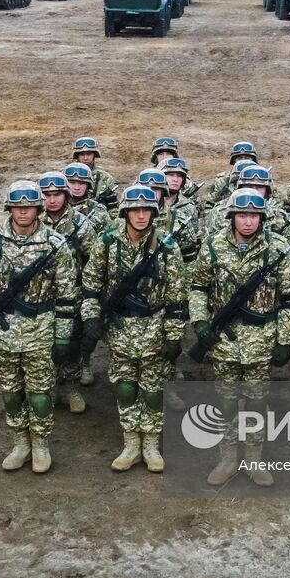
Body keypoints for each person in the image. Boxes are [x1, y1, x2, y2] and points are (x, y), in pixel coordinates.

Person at [0, 181, 79, 474]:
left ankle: (40, 443)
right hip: (1, 331)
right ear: (10, 209)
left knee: (40, 392)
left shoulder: (55, 245)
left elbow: (68, 294)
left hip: (40, 329)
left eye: (29, 207)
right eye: (18, 207)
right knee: (11, 391)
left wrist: (63, 335)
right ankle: (20, 442)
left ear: (38, 209)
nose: (23, 212)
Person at [189, 188, 290, 487]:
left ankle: (254, 459)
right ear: (232, 217)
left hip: (262, 340)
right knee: (226, 401)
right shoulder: (213, 246)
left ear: (261, 218)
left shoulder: (277, 249)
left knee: (257, 403)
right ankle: (227, 457)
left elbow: (289, 299)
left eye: (253, 215)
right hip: (224, 340)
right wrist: (200, 322)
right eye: (242, 215)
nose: (248, 221)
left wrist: (285, 340)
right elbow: (197, 287)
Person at [79, 185, 187, 473]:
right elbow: (91, 286)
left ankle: (151, 445)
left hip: (154, 326)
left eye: (147, 210)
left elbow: (177, 296)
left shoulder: (166, 245)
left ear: (154, 213)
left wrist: (174, 335)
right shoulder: (107, 242)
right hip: (119, 327)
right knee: (125, 387)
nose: (141, 216)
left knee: (152, 389)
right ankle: (130, 443)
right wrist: (91, 318)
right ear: (125, 211)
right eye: (136, 210)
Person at [39, 171, 98, 413]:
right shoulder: (34, 223)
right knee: (44, 345)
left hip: (72, 294)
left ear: (65, 196)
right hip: (40, 297)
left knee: (71, 344)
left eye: (56, 195)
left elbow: (94, 259)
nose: (52, 200)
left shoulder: (80, 224)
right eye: (47, 195)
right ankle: (51, 386)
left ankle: (72, 388)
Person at [198, 142, 259, 208]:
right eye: (239, 158)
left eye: (247, 158)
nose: (243, 161)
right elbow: (208, 203)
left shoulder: (262, 178)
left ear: (253, 160)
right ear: (233, 161)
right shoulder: (223, 180)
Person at [70, 137, 118, 209]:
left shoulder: (105, 178)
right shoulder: (66, 177)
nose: (85, 158)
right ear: (77, 156)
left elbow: (113, 209)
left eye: (88, 154)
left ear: (94, 155)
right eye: (82, 154)